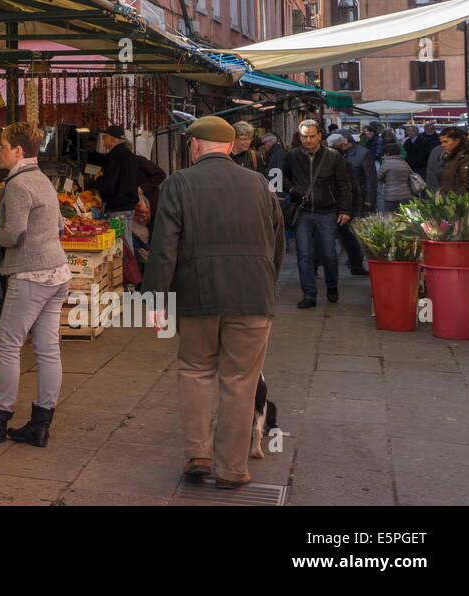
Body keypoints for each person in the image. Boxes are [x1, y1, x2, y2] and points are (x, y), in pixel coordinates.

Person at [142, 116, 284, 489]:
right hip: (254, 297)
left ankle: (198, 455)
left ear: (196, 146)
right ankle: (233, 469)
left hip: (198, 296)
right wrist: (265, 284)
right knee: (241, 381)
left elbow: (163, 247)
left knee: (195, 370)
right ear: (229, 146)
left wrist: (156, 300)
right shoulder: (259, 184)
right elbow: (278, 244)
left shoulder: (179, 183)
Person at [0, 122, 70, 448]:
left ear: (18, 151)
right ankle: (40, 424)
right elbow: (60, 224)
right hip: (57, 272)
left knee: (7, 345)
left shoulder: (18, 185)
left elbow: (15, 233)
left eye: (3, 145)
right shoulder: (43, 180)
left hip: (30, 274)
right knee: (48, 350)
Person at [282, 119, 352, 309]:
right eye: (305, 136)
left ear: (320, 136)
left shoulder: (333, 156)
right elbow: (283, 178)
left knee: (329, 254)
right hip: (303, 212)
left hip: (327, 211)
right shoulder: (293, 156)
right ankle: (309, 295)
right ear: (300, 136)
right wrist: (292, 191)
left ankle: (331, 285)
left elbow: (343, 185)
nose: (309, 140)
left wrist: (345, 209)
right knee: (304, 255)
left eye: (312, 136)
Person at [91, 125, 140, 257]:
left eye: (105, 137)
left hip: (118, 208)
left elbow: (109, 185)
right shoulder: (129, 155)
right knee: (125, 241)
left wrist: (97, 180)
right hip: (128, 206)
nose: (103, 140)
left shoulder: (114, 156)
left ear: (112, 139)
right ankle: (130, 273)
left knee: (121, 244)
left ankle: (128, 274)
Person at [328, 133, 371, 276]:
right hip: (342, 205)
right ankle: (356, 266)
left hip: (330, 204)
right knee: (348, 237)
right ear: (341, 145)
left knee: (326, 236)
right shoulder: (342, 161)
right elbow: (351, 185)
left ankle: (316, 267)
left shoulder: (325, 159)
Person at [437, 126, 469, 197]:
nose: (443, 145)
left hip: (459, 204)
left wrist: (454, 200)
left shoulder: (465, 157)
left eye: (446, 142)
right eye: (441, 142)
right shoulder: (450, 156)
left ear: (457, 140)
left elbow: (468, 185)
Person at [378, 141, 414, 214]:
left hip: (391, 196)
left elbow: (378, 176)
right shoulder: (404, 163)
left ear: (387, 153)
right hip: (406, 195)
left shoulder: (386, 163)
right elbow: (411, 174)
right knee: (405, 218)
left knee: (391, 218)